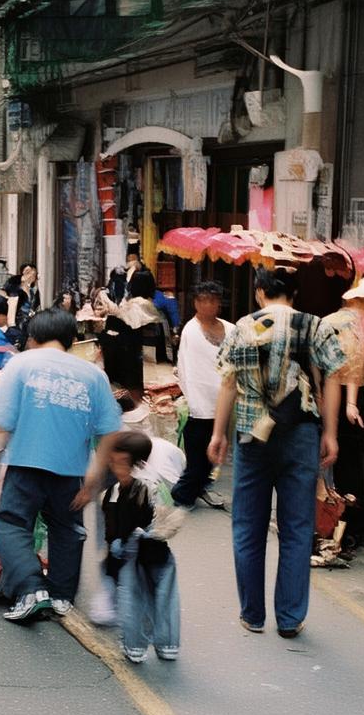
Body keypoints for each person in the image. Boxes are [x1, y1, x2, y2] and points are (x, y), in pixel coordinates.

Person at [207, 267, 345, 639]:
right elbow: (334, 376)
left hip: (253, 435)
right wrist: (330, 433)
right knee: (297, 528)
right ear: (294, 295)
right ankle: (290, 617)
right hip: (300, 433)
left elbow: (228, 382)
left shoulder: (241, 327)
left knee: (248, 526)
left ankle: (252, 614)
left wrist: (218, 433)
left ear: (260, 292)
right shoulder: (313, 326)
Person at [0, 308, 124, 621]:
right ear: (72, 339)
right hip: (72, 471)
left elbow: (0, 423)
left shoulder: (21, 364)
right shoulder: (94, 375)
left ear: (33, 337)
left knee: (12, 525)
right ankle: (61, 596)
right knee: (67, 529)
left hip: (24, 465)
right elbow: (111, 431)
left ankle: (31, 589)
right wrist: (94, 478)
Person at [103, 431, 183, 664]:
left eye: (121, 463)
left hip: (152, 553)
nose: (116, 467)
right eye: (114, 462)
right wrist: (115, 540)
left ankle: (160, 644)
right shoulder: (117, 489)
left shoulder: (151, 488)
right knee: (141, 599)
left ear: (139, 463)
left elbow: (169, 519)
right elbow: (110, 518)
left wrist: (150, 533)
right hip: (134, 554)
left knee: (155, 598)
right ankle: (142, 645)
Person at [321, 276, 364, 525]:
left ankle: (340, 519)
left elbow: (349, 366)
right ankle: (347, 519)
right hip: (353, 395)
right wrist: (353, 402)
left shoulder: (343, 320)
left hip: (337, 393)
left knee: (337, 457)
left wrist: (350, 403)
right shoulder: (363, 322)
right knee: (346, 458)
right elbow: (355, 366)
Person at [172, 280, 232, 509]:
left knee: (213, 453)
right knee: (199, 453)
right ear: (195, 303)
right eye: (202, 300)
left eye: (212, 300)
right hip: (200, 404)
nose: (207, 304)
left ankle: (198, 487)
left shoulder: (231, 328)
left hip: (224, 401)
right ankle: (183, 493)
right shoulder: (191, 330)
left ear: (219, 303)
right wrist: (193, 399)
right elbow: (189, 368)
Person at [97, 270, 168, 394]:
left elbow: (124, 325)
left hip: (132, 363)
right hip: (152, 360)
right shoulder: (151, 306)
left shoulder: (135, 306)